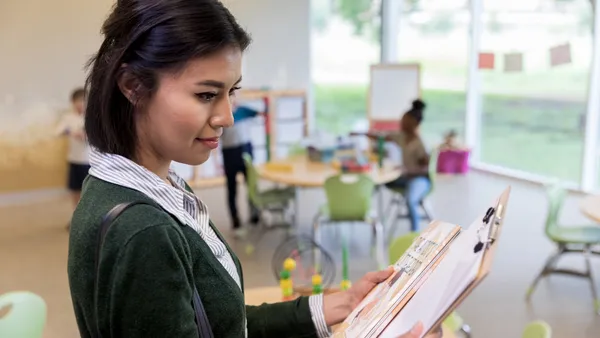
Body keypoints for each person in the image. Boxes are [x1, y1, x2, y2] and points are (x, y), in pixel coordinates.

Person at [67, 1, 441, 337]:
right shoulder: (143, 231)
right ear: (133, 86)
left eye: (232, 92)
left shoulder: (142, 188)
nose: (227, 116)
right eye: (206, 95)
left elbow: (222, 324)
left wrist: (335, 307)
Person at [354, 99, 431, 232]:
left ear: (413, 123)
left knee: (411, 200)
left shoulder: (419, 143)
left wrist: (407, 170)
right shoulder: (401, 137)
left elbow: (425, 169)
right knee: (377, 183)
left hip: (420, 179)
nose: (401, 123)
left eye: (404, 121)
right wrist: (361, 134)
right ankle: (365, 216)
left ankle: (415, 234)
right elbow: (381, 137)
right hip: (405, 178)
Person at [221, 104, 260, 238]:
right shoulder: (222, 113)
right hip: (230, 151)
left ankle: (255, 214)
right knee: (232, 188)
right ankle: (235, 219)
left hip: (245, 148)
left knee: (252, 184)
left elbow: (259, 114)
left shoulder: (245, 111)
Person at [55, 87, 89, 229]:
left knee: (88, 192)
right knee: (75, 191)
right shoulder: (68, 118)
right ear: (73, 102)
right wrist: (71, 132)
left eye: (83, 100)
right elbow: (57, 131)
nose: (80, 104)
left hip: (89, 162)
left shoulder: (92, 117)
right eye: (78, 101)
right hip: (74, 160)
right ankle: (76, 218)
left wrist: (86, 136)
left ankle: (88, 220)